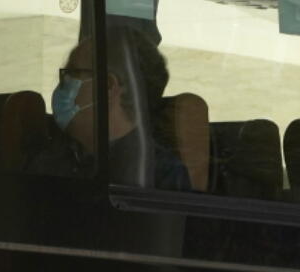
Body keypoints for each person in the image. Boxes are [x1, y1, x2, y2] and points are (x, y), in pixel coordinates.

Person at [28, 27, 191, 190]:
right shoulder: (52, 158)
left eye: (72, 73)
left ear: (107, 86)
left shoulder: (158, 174)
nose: (61, 85)